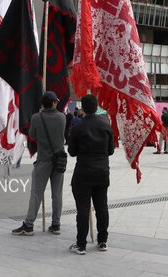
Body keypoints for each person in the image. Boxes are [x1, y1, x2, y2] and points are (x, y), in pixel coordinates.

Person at [12, 91, 66, 237]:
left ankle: (29, 225)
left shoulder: (36, 117)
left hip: (43, 160)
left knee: (36, 193)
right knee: (57, 194)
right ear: (54, 103)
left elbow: (32, 135)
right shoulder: (62, 117)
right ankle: (56, 223)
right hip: (59, 161)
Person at [67, 94, 114, 255]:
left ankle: (81, 244)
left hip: (83, 173)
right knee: (102, 207)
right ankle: (103, 241)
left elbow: (72, 152)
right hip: (102, 172)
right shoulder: (106, 124)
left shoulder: (78, 127)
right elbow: (111, 150)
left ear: (82, 108)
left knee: (82, 209)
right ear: (96, 106)